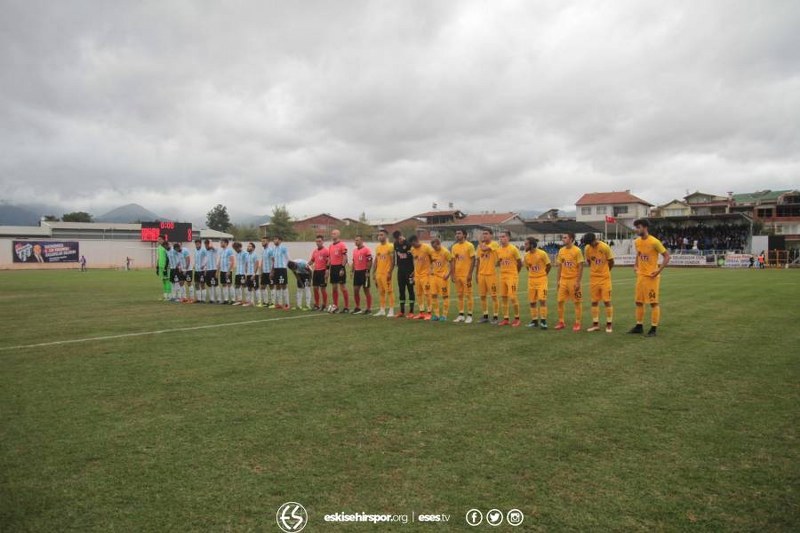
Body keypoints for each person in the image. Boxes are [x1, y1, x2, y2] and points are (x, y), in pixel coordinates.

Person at [628, 219, 670, 337]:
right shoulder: (637, 241)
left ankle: (653, 329)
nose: (636, 229)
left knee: (653, 303)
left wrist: (658, 270)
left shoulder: (655, 242)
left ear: (645, 227)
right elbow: (639, 254)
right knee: (638, 302)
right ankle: (639, 326)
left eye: (639, 227)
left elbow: (667, 256)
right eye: (636, 227)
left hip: (652, 277)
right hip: (641, 276)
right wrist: (636, 265)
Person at [582, 232, 615, 333]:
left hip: (605, 278)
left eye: (591, 243)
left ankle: (609, 324)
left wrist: (606, 271)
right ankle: (595, 324)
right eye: (588, 244)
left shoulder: (605, 247)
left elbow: (611, 261)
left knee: (607, 301)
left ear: (594, 239)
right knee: (594, 301)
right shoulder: (587, 249)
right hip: (593, 279)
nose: (590, 245)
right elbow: (588, 261)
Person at [555, 233, 584, 331]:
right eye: (562, 237)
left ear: (571, 239)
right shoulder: (561, 251)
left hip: (573, 280)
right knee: (559, 301)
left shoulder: (577, 250)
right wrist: (558, 280)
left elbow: (580, 266)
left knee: (577, 302)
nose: (563, 239)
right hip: (563, 280)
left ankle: (577, 323)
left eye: (565, 237)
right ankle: (561, 322)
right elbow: (559, 266)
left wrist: (578, 281)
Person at [495, 231, 522, 327]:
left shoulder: (513, 249)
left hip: (512, 276)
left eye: (503, 236)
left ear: (508, 238)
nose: (501, 239)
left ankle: (517, 318)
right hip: (502, 276)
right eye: (500, 237)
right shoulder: (498, 250)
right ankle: (506, 318)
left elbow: (520, 263)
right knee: (503, 297)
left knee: (513, 296)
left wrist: (515, 274)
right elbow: (499, 262)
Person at [523, 237, 551, 329]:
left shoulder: (542, 253)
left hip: (541, 280)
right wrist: (533, 274)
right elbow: (528, 267)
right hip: (531, 280)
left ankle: (543, 321)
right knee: (532, 302)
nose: (525, 245)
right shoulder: (526, 256)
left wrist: (543, 274)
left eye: (526, 244)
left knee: (542, 300)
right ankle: (534, 321)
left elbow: (548, 265)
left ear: (531, 245)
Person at [450, 229, 476, 323]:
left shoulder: (470, 245)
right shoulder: (454, 247)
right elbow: (453, 261)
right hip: (457, 275)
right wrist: (453, 274)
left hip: (466, 275)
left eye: (459, 233)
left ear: (464, 235)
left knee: (468, 295)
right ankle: (461, 315)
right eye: (456, 233)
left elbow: (473, 260)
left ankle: (469, 315)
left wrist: (470, 274)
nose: (457, 235)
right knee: (459, 295)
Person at [475, 229, 500, 324]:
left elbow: (484, 249)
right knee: (482, 296)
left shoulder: (494, 244)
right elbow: (478, 261)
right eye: (483, 234)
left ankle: (495, 316)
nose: (484, 235)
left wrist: (479, 240)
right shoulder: (479, 247)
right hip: (481, 275)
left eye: (486, 234)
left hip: (491, 275)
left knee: (494, 296)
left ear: (491, 235)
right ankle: (485, 316)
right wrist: (476, 274)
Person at [408, 235, 434, 320]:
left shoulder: (426, 248)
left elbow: (433, 258)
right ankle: (421, 312)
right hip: (417, 275)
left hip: (426, 275)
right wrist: (414, 271)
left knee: (427, 293)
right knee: (419, 294)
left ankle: (429, 313)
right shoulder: (412, 250)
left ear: (416, 240)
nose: (413, 246)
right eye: (411, 245)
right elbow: (415, 261)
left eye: (413, 244)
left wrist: (432, 268)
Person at [392, 231, 416, 318]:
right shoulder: (395, 244)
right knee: (401, 290)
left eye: (400, 238)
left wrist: (414, 270)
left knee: (410, 289)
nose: (400, 240)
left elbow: (414, 257)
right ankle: (401, 311)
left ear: (402, 236)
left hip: (409, 271)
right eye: (398, 239)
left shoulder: (409, 244)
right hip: (400, 271)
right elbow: (395, 256)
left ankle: (411, 311)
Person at [372, 230, 395, 317]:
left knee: (389, 291)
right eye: (379, 235)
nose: (379, 236)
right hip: (379, 273)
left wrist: (390, 272)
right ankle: (382, 310)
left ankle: (391, 310)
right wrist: (373, 272)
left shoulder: (390, 246)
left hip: (386, 273)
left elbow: (393, 261)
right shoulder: (377, 247)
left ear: (386, 236)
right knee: (381, 292)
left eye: (381, 235)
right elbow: (376, 260)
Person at [429, 238, 453, 322]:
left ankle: (444, 315)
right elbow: (431, 261)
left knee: (445, 296)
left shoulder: (445, 252)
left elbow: (452, 262)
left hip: (443, 278)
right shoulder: (432, 252)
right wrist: (431, 269)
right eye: (433, 247)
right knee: (433, 295)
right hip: (434, 277)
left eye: (435, 246)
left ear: (439, 244)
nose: (434, 248)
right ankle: (436, 314)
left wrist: (449, 274)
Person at [328, 229, 350, 313]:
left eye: (334, 233)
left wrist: (342, 268)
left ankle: (346, 307)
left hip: (339, 267)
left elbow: (345, 257)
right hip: (333, 268)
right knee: (334, 288)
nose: (332, 235)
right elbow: (330, 258)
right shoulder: (330, 246)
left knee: (343, 288)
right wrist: (327, 269)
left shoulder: (342, 245)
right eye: (332, 233)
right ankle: (335, 306)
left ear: (338, 235)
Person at [351, 235, 373, 314]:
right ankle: (357, 307)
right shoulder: (354, 251)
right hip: (357, 272)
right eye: (355, 240)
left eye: (357, 240)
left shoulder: (366, 250)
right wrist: (352, 271)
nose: (356, 242)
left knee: (366, 290)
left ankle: (369, 308)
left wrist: (367, 271)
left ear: (361, 241)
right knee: (355, 290)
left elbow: (370, 261)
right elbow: (354, 261)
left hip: (364, 272)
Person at [309, 235, 330, 310]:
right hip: (316, 272)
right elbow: (312, 260)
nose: (318, 243)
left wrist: (327, 271)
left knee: (323, 289)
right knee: (315, 288)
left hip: (323, 271)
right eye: (316, 241)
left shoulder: (326, 251)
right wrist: (307, 265)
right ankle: (317, 304)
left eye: (319, 241)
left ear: (323, 241)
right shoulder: (315, 251)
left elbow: (328, 261)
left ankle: (324, 305)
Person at [271, 235, 290, 310]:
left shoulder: (283, 248)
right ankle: (279, 303)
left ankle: (287, 304)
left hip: (282, 269)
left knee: (283, 285)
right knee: (277, 286)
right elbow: (273, 261)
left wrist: (288, 266)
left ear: (280, 240)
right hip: (276, 269)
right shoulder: (274, 249)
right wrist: (272, 271)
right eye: (274, 239)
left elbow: (288, 258)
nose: (274, 240)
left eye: (276, 239)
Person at [259, 236, 275, 308]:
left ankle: (273, 303)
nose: (263, 242)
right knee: (262, 286)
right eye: (262, 241)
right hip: (264, 272)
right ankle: (265, 302)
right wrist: (261, 271)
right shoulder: (263, 251)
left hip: (270, 271)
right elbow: (262, 261)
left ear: (268, 242)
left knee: (271, 286)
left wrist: (272, 272)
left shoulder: (270, 250)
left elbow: (274, 261)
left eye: (264, 241)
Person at [218, 238, 235, 304]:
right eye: (220, 242)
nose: (221, 244)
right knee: (224, 285)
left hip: (227, 271)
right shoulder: (221, 251)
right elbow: (220, 261)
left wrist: (229, 271)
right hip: (222, 271)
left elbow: (232, 261)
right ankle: (226, 299)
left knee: (229, 284)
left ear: (226, 243)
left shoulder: (229, 251)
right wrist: (218, 270)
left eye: (222, 242)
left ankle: (233, 300)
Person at [156, 235, 171, 301]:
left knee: (167, 281)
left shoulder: (166, 247)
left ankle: (169, 296)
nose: (158, 240)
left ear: (163, 240)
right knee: (163, 281)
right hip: (161, 267)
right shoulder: (159, 247)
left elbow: (168, 258)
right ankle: (165, 296)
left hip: (166, 267)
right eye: (158, 239)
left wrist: (165, 267)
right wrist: (157, 267)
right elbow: (159, 258)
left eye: (159, 239)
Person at [245, 242, 260, 306]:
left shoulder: (255, 255)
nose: (248, 247)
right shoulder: (247, 255)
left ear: (253, 248)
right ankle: (250, 302)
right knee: (249, 288)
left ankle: (259, 302)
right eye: (248, 246)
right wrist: (246, 274)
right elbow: (246, 264)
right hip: (248, 274)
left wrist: (254, 274)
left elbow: (257, 264)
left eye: (250, 246)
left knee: (256, 287)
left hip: (254, 274)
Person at [204, 239, 219, 303]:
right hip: (208, 270)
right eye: (205, 244)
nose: (206, 246)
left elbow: (215, 249)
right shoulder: (205, 251)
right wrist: (205, 269)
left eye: (207, 244)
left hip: (213, 269)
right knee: (209, 285)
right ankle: (211, 299)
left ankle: (218, 299)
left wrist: (211, 245)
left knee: (215, 285)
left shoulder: (214, 250)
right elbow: (206, 261)